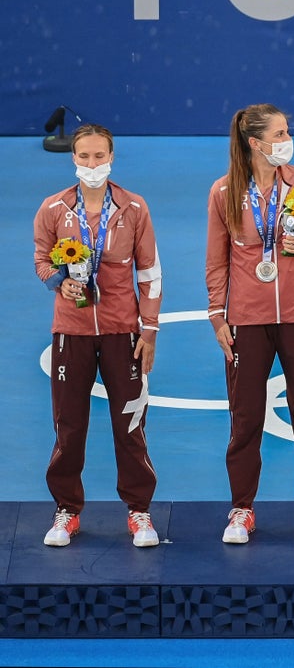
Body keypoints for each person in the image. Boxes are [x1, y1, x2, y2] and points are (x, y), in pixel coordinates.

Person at [205, 103, 294, 544]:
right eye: (278, 134)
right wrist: (216, 315)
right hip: (247, 320)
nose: (286, 140)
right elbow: (216, 258)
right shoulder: (223, 192)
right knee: (244, 420)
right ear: (255, 143)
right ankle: (241, 510)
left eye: (286, 132)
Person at [33, 124, 162, 548]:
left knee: (130, 425)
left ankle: (139, 512)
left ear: (112, 158)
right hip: (71, 333)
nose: (92, 164)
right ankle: (66, 511)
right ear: (74, 159)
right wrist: (58, 283)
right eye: (84, 157)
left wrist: (149, 329)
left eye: (99, 157)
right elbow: (40, 259)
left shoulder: (134, 208)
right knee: (69, 426)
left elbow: (150, 274)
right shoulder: (53, 209)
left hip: (122, 333)